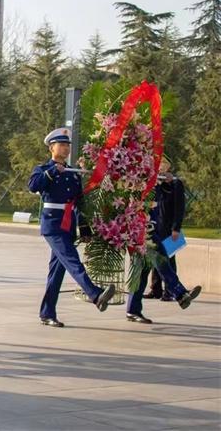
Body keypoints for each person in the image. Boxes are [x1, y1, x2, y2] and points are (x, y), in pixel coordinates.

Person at [29, 127, 116, 328]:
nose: (66, 148)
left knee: (57, 271)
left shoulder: (73, 173)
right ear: (52, 148)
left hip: (68, 225)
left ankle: (47, 313)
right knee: (72, 261)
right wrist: (52, 172)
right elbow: (33, 186)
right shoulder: (43, 169)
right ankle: (95, 294)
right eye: (62, 145)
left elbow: (79, 202)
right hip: (53, 224)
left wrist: (84, 228)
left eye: (68, 145)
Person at [126, 162, 201, 323]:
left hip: (153, 229)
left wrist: (167, 183)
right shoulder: (135, 178)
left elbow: (165, 202)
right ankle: (179, 293)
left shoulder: (161, 182)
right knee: (161, 260)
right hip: (140, 230)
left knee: (142, 270)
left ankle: (133, 310)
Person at [143, 159, 186, 301]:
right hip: (156, 226)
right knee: (156, 258)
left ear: (169, 166)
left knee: (169, 258)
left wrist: (176, 228)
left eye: (163, 164)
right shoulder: (156, 182)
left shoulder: (175, 183)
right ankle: (156, 290)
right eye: (158, 164)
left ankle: (170, 291)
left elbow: (179, 208)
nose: (160, 167)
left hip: (169, 228)